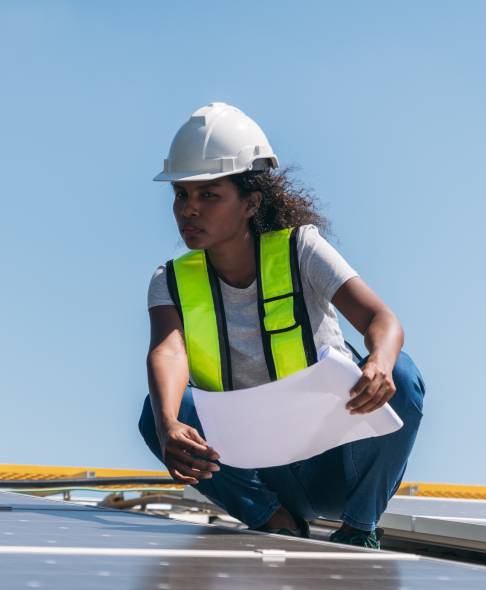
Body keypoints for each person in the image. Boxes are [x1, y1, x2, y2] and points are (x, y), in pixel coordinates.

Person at [138, 102, 426, 549]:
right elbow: (169, 351)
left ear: (251, 203)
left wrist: (381, 363)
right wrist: (167, 424)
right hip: (262, 468)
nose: (189, 210)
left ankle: (359, 528)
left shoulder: (302, 249)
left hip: (336, 460)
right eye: (181, 195)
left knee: (403, 376)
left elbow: (380, 320)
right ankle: (275, 520)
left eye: (208, 195)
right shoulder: (169, 281)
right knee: (161, 413)